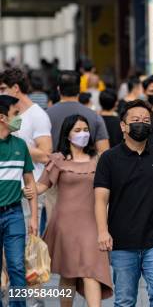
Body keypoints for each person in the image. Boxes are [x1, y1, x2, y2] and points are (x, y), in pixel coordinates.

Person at [94, 100, 153, 307]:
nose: (141, 124)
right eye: (136, 120)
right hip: (122, 242)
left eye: (146, 120)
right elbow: (100, 200)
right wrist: (102, 232)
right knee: (125, 300)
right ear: (123, 126)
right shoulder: (109, 158)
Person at [25, 115, 113, 306]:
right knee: (68, 275)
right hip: (65, 226)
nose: (84, 134)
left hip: (92, 224)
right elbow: (41, 186)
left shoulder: (100, 159)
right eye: (78, 130)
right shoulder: (58, 160)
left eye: (86, 130)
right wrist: (27, 188)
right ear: (67, 135)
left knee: (92, 272)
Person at [0, 69, 52, 234]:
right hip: (11, 193)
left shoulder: (37, 115)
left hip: (31, 190)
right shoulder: (11, 116)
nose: (0, 93)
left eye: (2, 88)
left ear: (15, 88)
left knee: (29, 249)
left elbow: (45, 155)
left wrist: (18, 145)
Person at [0, 95, 38, 307]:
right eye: (16, 114)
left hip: (14, 213)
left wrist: (34, 217)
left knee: (16, 266)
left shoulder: (21, 146)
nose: (20, 118)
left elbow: (30, 184)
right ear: (2, 118)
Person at [47, 70, 109, 153]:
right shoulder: (94, 116)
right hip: (86, 165)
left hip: (53, 164)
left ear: (58, 89)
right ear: (80, 89)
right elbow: (103, 151)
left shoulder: (46, 115)